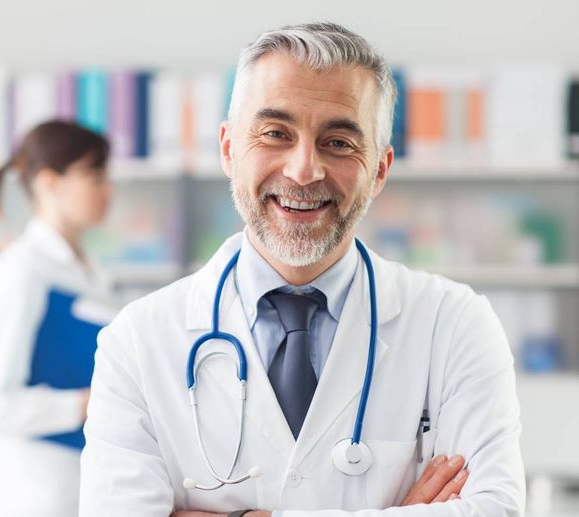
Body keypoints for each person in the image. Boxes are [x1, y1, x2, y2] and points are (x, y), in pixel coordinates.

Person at [79, 23, 525, 517]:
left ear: (379, 169)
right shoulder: (137, 340)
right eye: (275, 133)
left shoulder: (454, 322)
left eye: (338, 142)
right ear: (228, 149)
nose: (303, 170)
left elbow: (495, 510)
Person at [0, 120, 114, 517]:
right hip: (33, 495)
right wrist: (89, 403)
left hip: (83, 488)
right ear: (50, 182)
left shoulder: (91, 271)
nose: (108, 190)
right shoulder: (19, 271)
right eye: (94, 176)